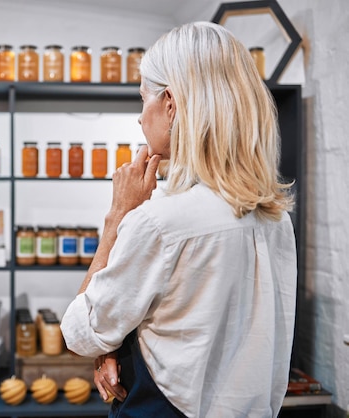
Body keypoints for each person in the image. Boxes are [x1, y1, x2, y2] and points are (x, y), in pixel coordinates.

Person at [60, 21, 297, 418]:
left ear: (169, 104)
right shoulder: (274, 218)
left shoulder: (159, 222)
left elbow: (80, 333)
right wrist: (113, 345)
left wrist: (118, 215)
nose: (140, 118)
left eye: (143, 99)